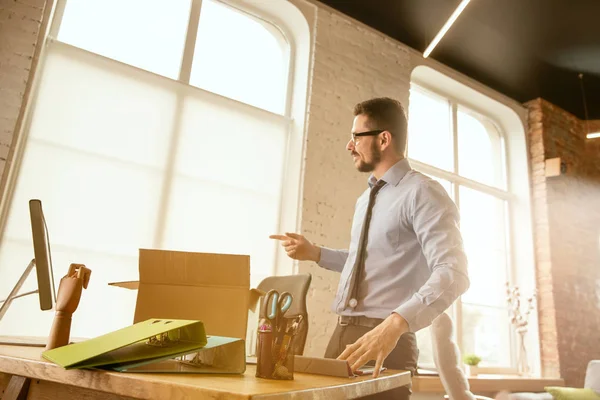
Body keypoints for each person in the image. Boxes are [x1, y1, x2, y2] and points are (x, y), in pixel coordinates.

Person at [270, 97, 470, 400]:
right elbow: (366, 261)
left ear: (383, 139)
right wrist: (315, 252)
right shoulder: (366, 199)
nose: (349, 146)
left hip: (388, 340)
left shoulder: (422, 192)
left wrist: (395, 323)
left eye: (355, 137)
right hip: (344, 334)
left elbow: (454, 272)